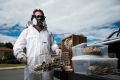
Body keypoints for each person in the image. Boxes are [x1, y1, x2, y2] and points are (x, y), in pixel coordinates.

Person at [13, 9, 62, 80]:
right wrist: (19, 54)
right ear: (33, 19)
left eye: (41, 16)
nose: (40, 18)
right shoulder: (27, 31)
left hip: (47, 68)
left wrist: (57, 49)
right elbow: (18, 45)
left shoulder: (48, 33)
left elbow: (53, 44)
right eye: (37, 16)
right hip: (31, 67)